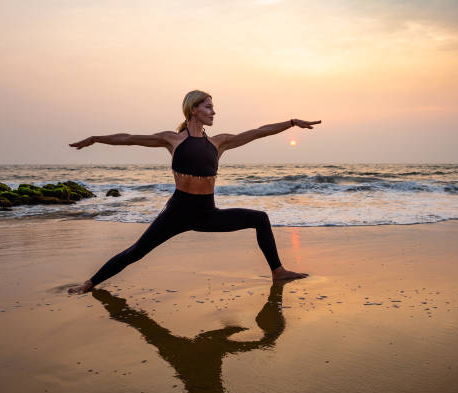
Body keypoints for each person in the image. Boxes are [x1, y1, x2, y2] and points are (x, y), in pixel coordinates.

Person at [67, 90, 321, 294]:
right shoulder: (173, 140)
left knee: (260, 218)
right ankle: (89, 284)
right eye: (208, 107)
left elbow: (256, 133)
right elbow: (130, 137)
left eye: (213, 107)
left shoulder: (218, 143)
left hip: (207, 213)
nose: (214, 112)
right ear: (193, 109)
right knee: (136, 251)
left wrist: (290, 123)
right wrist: (96, 138)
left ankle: (278, 272)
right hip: (176, 213)